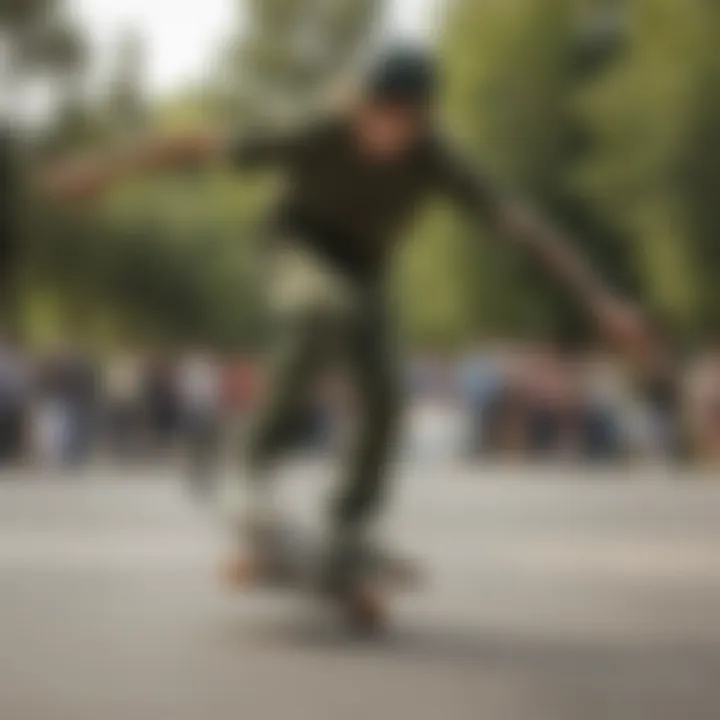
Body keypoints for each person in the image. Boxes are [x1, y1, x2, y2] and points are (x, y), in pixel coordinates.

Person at [40, 46, 651, 597]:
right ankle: (251, 464)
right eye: (365, 114)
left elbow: (519, 224)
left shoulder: (437, 157)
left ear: (417, 119)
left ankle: (347, 525)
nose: (372, 132)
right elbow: (197, 144)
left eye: (390, 121)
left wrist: (598, 299)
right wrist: (100, 170)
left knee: (387, 393)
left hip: (367, 270)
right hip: (294, 249)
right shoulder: (317, 130)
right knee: (319, 307)